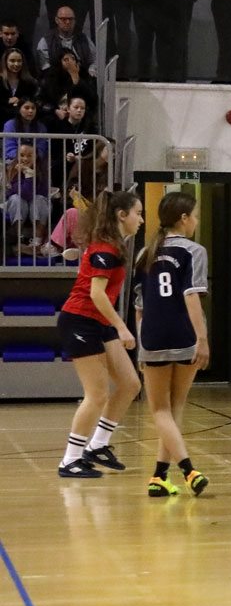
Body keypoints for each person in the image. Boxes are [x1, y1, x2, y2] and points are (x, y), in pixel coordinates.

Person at [55, 190, 144, 478]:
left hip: (98, 322)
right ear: (122, 215)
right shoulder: (105, 248)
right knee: (97, 394)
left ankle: (97, 446)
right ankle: (70, 460)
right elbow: (97, 294)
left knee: (130, 384)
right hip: (80, 321)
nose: (141, 219)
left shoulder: (113, 244)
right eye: (138, 213)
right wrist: (121, 326)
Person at [132, 191, 210, 497]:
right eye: (195, 216)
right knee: (172, 408)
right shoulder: (194, 251)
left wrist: (142, 347)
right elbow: (192, 297)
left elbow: (140, 307)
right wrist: (202, 339)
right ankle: (189, 470)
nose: (196, 221)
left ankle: (159, 476)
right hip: (184, 334)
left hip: (152, 336)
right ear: (184, 218)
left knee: (162, 411)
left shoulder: (145, 253)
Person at [36, 7, 96, 76]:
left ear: (74, 21)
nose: (68, 22)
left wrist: (91, 72)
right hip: (55, 79)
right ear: (56, 20)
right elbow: (45, 67)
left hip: (82, 77)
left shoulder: (84, 39)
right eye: (63, 19)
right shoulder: (46, 41)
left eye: (71, 19)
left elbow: (95, 60)